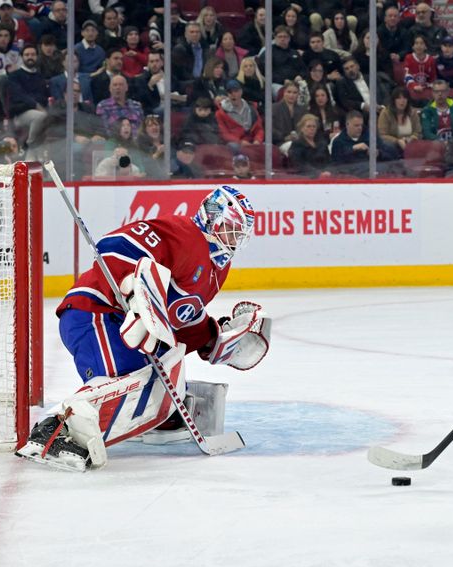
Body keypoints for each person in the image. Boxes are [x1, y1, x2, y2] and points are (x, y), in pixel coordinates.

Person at [16, 186, 270, 471]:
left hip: (123, 326)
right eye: (230, 229)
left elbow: (182, 317)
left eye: (240, 233)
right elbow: (115, 245)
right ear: (211, 217)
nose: (234, 240)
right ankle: (50, 433)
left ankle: (155, 419)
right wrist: (132, 291)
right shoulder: (182, 232)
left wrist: (214, 339)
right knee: (129, 380)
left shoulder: (217, 270)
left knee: (156, 384)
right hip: (96, 313)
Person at [6, 44, 49, 160]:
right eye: (27, 55)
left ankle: (32, 161)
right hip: (20, 115)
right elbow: (19, 95)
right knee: (41, 116)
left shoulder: (40, 77)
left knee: (43, 118)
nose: (30, 57)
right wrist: (35, 104)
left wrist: (37, 103)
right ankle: (29, 144)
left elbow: (43, 97)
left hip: (37, 114)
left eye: (33, 54)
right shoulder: (14, 76)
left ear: (37, 56)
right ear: (22, 57)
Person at [215, 79, 264, 152]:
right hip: (235, 144)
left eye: (236, 91)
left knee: (270, 149)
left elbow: (259, 129)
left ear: (241, 92)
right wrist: (240, 142)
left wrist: (257, 141)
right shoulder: (220, 113)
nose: (233, 94)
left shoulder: (252, 109)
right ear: (227, 94)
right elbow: (224, 134)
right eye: (230, 92)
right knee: (234, 147)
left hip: (252, 142)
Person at [378, 86, 421, 152]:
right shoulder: (385, 113)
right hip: (393, 145)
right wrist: (397, 141)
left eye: (404, 98)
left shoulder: (413, 112)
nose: (402, 101)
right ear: (394, 100)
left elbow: (418, 132)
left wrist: (413, 138)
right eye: (399, 98)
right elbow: (382, 135)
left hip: (410, 144)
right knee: (388, 146)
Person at [288, 113, 332, 177]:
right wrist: (318, 173)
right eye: (308, 126)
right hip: (306, 177)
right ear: (302, 128)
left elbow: (329, 161)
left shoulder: (322, 143)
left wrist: (328, 171)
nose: (312, 129)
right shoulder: (296, 144)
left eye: (314, 126)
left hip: (326, 175)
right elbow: (300, 165)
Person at [273, 80, 308, 153]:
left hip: (300, 142)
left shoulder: (303, 110)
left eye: (295, 93)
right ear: (284, 92)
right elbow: (270, 129)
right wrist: (285, 138)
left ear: (298, 94)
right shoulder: (274, 108)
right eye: (289, 92)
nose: (291, 95)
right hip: (280, 143)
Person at [404, 34, 436, 106]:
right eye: (416, 43)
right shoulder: (409, 58)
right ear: (413, 46)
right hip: (412, 91)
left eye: (421, 43)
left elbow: (433, 78)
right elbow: (407, 76)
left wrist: (426, 87)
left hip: (426, 92)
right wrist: (414, 86)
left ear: (426, 46)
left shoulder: (431, 59)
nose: (419, 46)